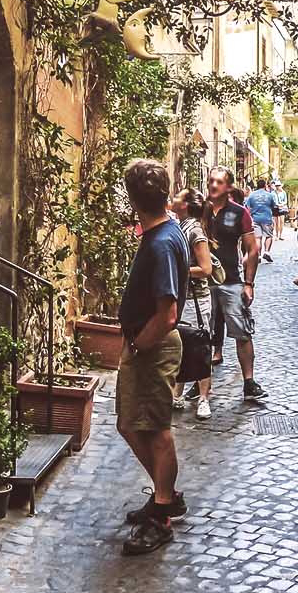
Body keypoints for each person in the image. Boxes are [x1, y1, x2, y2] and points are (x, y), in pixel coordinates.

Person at [115, 158, 189, 556]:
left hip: (153, 346)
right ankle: (165, 496)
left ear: (133, 199)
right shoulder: (166, 230)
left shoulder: (161, 243)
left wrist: (140, 345)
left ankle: (162, 514)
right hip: (148, 343)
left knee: (156, 430)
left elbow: (167, 314)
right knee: (130, 424)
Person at [205, 167, 267, 401]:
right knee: (202, 334)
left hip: (231, 280)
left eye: (219, 182)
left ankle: (249, 382)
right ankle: (200, 383)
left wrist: (249, 283)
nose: (213, 185)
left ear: (229, 187)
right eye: (211, 181)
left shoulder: (239, 212)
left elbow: (253, 249)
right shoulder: (201, 210)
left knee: (242, 332)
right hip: (203, 282)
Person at [170, 188, 216, 420]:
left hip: (195, 300)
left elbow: (206, 268)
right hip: (182, 297)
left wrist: (178, 271)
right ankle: (177, 394)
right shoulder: (181, 226)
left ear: (186, 205)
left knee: (200, 347)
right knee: (182, 346)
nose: (173, 197)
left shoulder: (195, 230)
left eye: (178, 196)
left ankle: (204, 398)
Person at [244, 176, 278, 263]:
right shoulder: (269, 195)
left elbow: (247, 207)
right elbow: (274, 206)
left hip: (255, 218)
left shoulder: (252, 195)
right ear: (265, 185)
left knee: (257, 237)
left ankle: (258, 255)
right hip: (267, 218)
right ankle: (266, 252)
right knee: (268, 235)